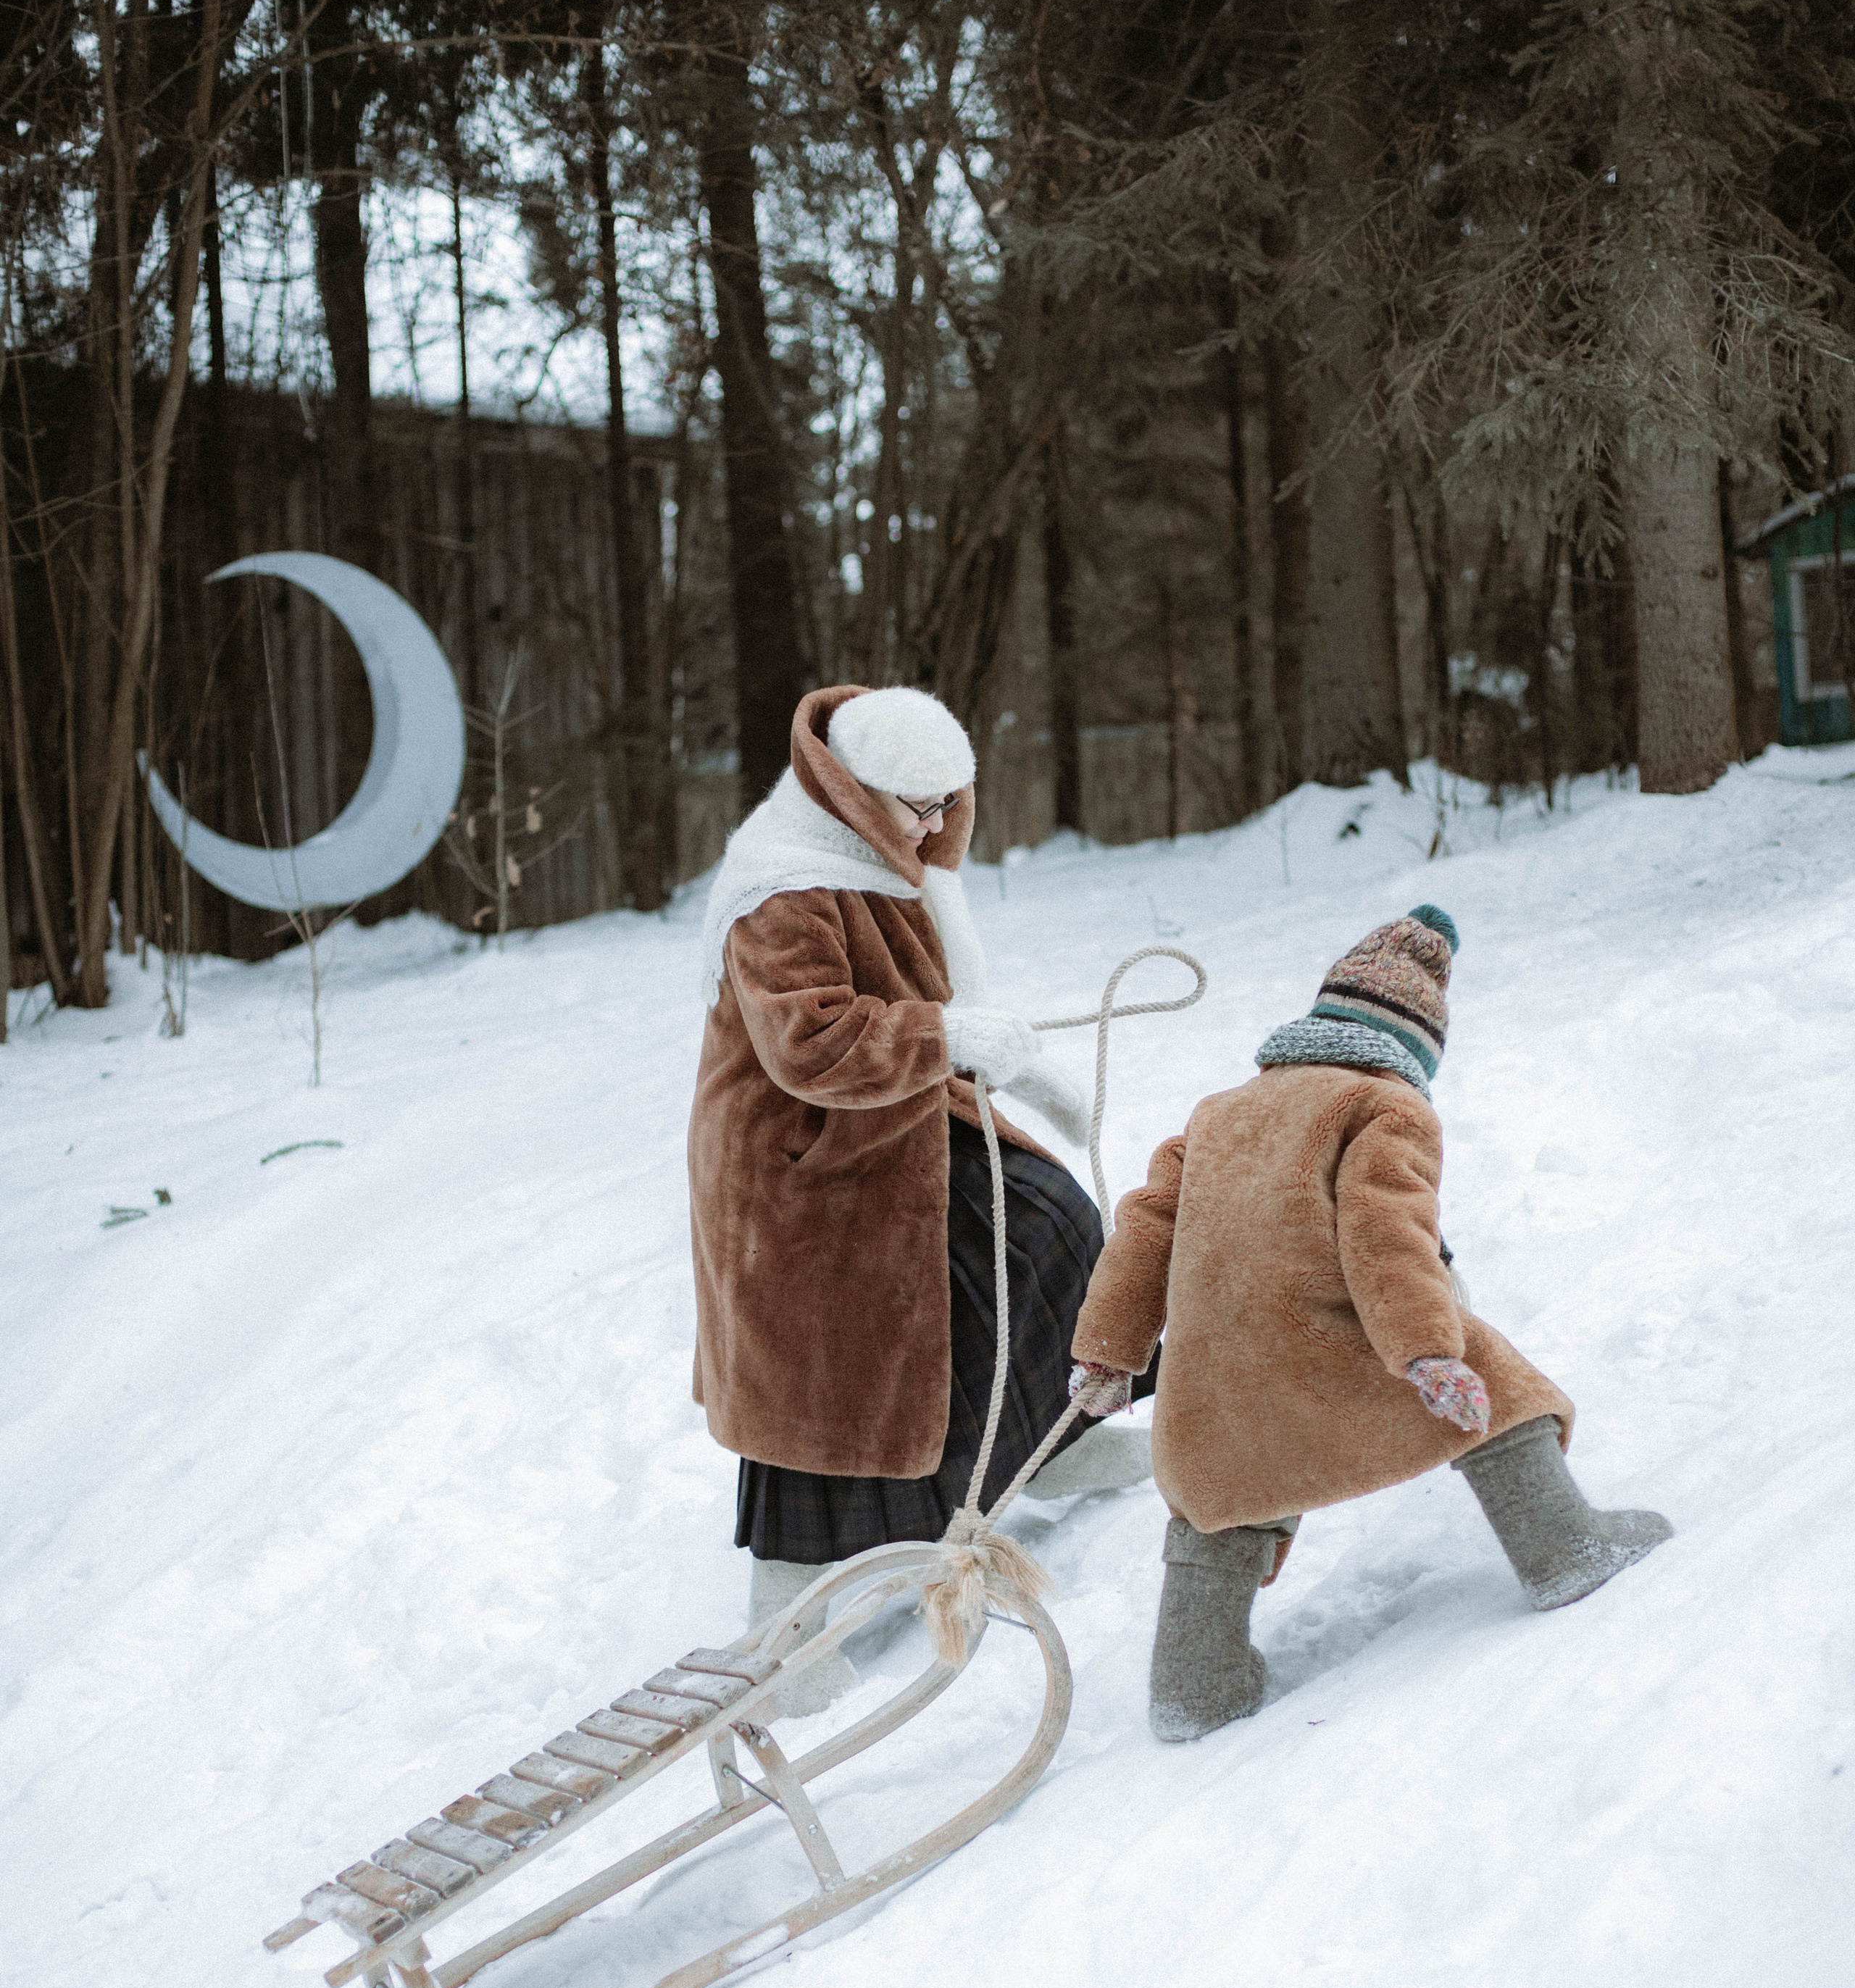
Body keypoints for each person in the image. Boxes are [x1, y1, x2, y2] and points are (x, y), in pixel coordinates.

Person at [1068, 903, 1672, 1742]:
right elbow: (1385, 1234)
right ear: (1416, 1048)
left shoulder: (1212, 1116)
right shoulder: (1386, 1107)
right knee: (1497, 1388)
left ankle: (1193, 1690)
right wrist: (1427, 1352)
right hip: (1332, 1353)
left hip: (1212, 1382)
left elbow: (1144, 1234)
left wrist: (1109, 1354)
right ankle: (1565, 1548)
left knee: (1219, 1500)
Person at [689, 683, 1153, 1695]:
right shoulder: (783, 892)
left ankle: (1055, 1442)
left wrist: (1017, 1066)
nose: (935, 826)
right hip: (801, 1167)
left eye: (950, 803)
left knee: (1049, 1230)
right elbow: (810, 1043)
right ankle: (784, 1631)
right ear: (854, 792)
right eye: (916, 806)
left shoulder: (890, 857)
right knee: (833, 1375)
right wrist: (949, 1037)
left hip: (903, 1118)